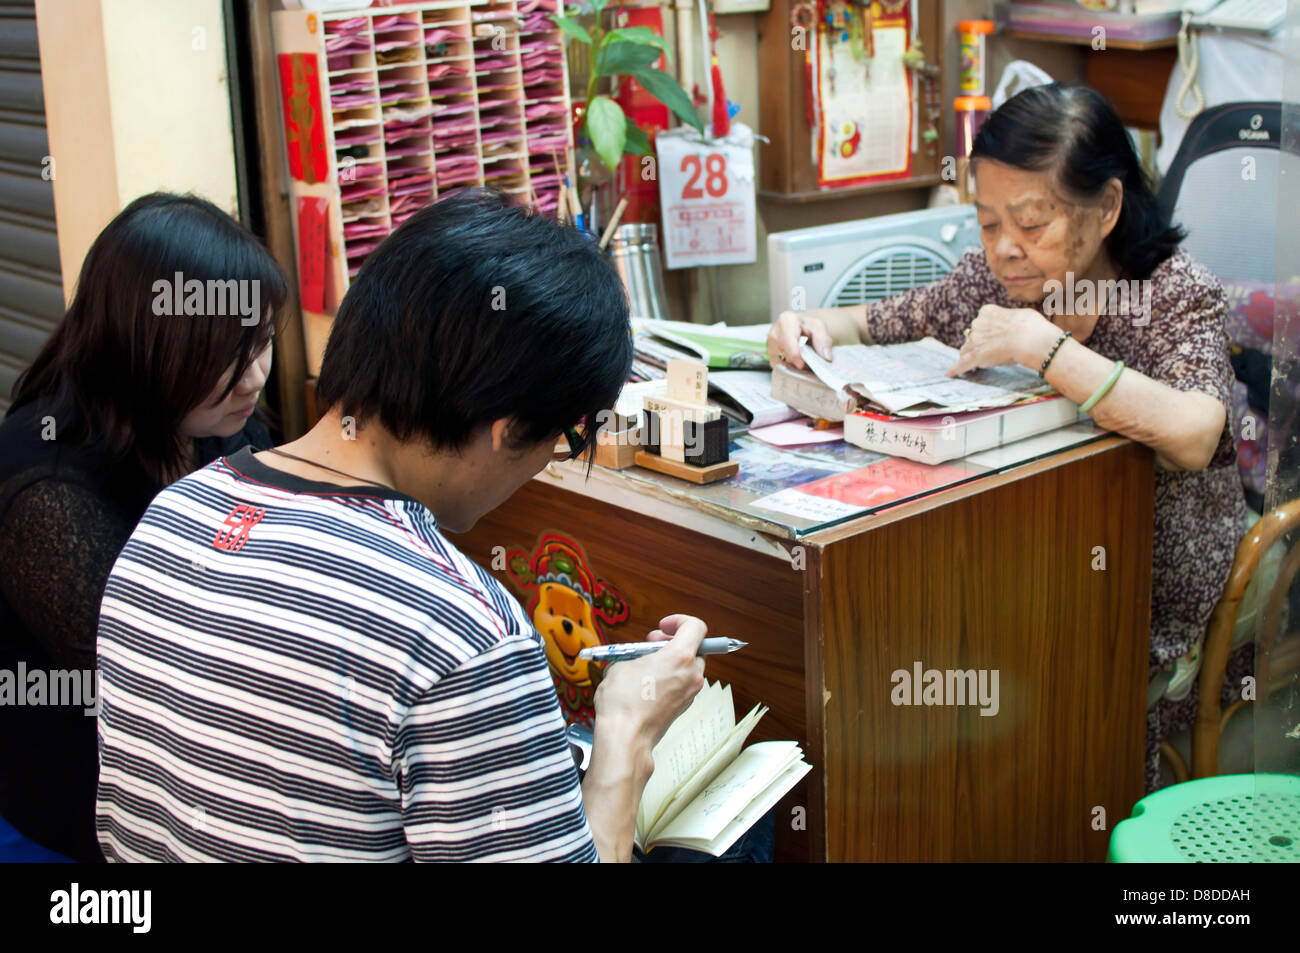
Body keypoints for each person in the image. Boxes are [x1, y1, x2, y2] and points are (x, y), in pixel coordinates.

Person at [94, 189, 708, 862]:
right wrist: (627, 735)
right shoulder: (465, 634)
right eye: (560, 439)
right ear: (506, 431)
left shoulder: (173, 514)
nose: (543, 467)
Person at [767, 84, 1251, 792]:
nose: (1004, 250)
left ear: (1107, 208)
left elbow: (1196, 432)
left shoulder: (1171, 294)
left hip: (1146, 599)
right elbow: (871, 321)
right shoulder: (990, 284)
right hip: (1034, 568)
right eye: (987, 223)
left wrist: (1043, 346)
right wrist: (808, 326)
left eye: (1030, 222)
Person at [0, 192, 286, 861]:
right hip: (66, 817)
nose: (255, 377)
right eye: (228, 355)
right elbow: (153, 675)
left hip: (177, 801)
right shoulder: (43, 485)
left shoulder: (216, 422)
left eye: (265, 342)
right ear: (146, 343)